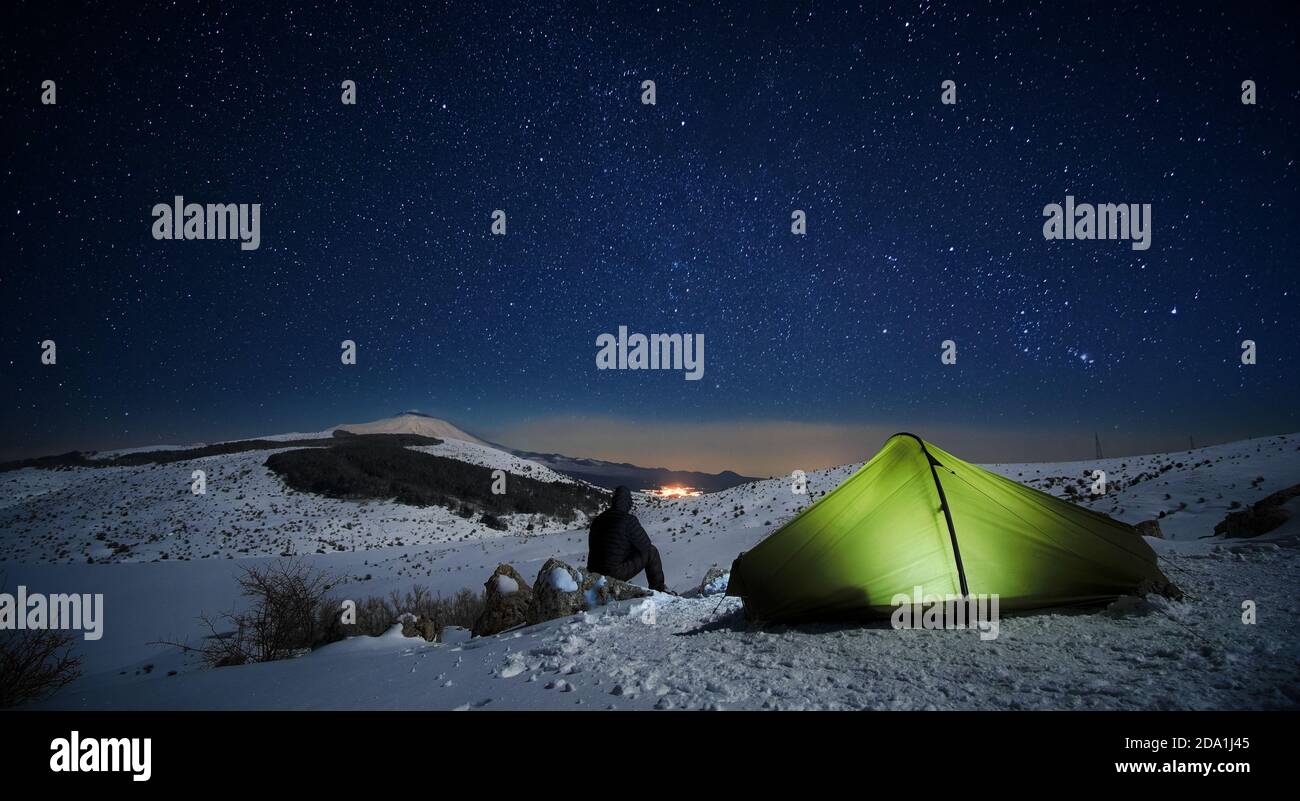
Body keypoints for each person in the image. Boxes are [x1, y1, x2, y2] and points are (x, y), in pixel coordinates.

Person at [587, 485, 668, 592]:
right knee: (651, 552)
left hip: (593, 571)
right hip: (612, 573)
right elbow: (646, 545)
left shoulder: (598, 520)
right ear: (628, 502)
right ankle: (659, 588)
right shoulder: (628, 520)